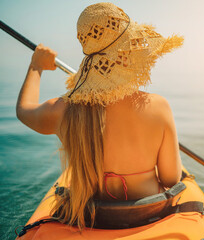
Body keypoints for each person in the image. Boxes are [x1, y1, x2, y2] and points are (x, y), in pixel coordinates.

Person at [16, 2, 184, 230]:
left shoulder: (63, 110)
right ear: (129, 55)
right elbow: (171, 179)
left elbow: (24, 110)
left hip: (91, 219)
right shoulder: (158, 107)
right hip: (148, 215)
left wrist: (36, 66)